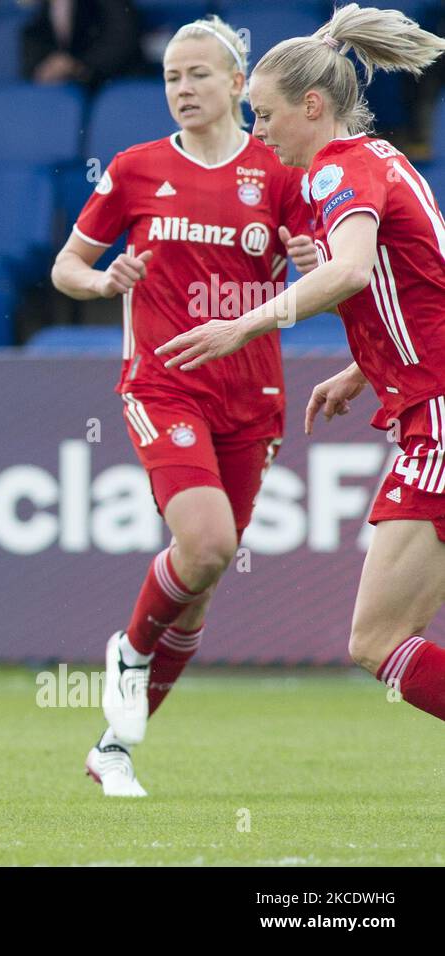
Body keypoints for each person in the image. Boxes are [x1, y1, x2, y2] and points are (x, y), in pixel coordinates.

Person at [50, 16, 317, 796]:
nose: (184, 89)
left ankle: (113, 752)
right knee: (203, 545)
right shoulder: (135, 169)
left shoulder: (278, 173)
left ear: (239, 85)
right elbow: (68, 264)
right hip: (163, 383)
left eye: (200, 74)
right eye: (172, 76)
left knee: (197, 593)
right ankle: (129, 654)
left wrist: (309, 259)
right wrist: (103, 284)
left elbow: (328, 275)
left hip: (253, 395)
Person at [158, 4, 445, 730]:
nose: (258, 133)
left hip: (438, 417)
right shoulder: (386, 160)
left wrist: (245, 324)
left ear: (312, 106)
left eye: (264, 115)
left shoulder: (333, 173)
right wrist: (363, 367)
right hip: (428, 402)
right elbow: (412, 283)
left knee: (376, 639)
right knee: (383, 636)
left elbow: (349, 271)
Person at [22, 0, 143, 89]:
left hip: (115, 81)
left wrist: (76, 64)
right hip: (69, 88)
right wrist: (45, 67)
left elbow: (122, 38)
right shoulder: (43, 7)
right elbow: (35, 43)